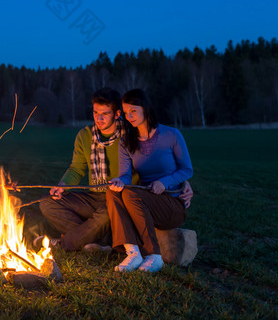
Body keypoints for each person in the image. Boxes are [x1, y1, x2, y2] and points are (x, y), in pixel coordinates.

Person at [36, 88, 192, 253]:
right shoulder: (85, 135)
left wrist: (182, 183)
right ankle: (99, 241)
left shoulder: (130, 134)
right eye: (96, 112)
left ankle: (66, 243)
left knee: (106, 214)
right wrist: (62, 185)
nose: (99, 118)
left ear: (117, 114)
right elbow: (76, 168)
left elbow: (156, 164)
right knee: (47, 203)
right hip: (94, 195)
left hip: (120, 198)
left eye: (105, 113)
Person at [107, 89, 193, 273]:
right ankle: (133, 252)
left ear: (145, 108)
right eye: (126, 112)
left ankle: (154, 255)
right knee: (113, 192)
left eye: (133, 111)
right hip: (145, 203)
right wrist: (119, 181)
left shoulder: (171, 135)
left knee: (130, 194)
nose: (129, 116)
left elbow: (187, 169)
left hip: (172, 204)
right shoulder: (126, 141)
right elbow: (125, 175)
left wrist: (165, 182)